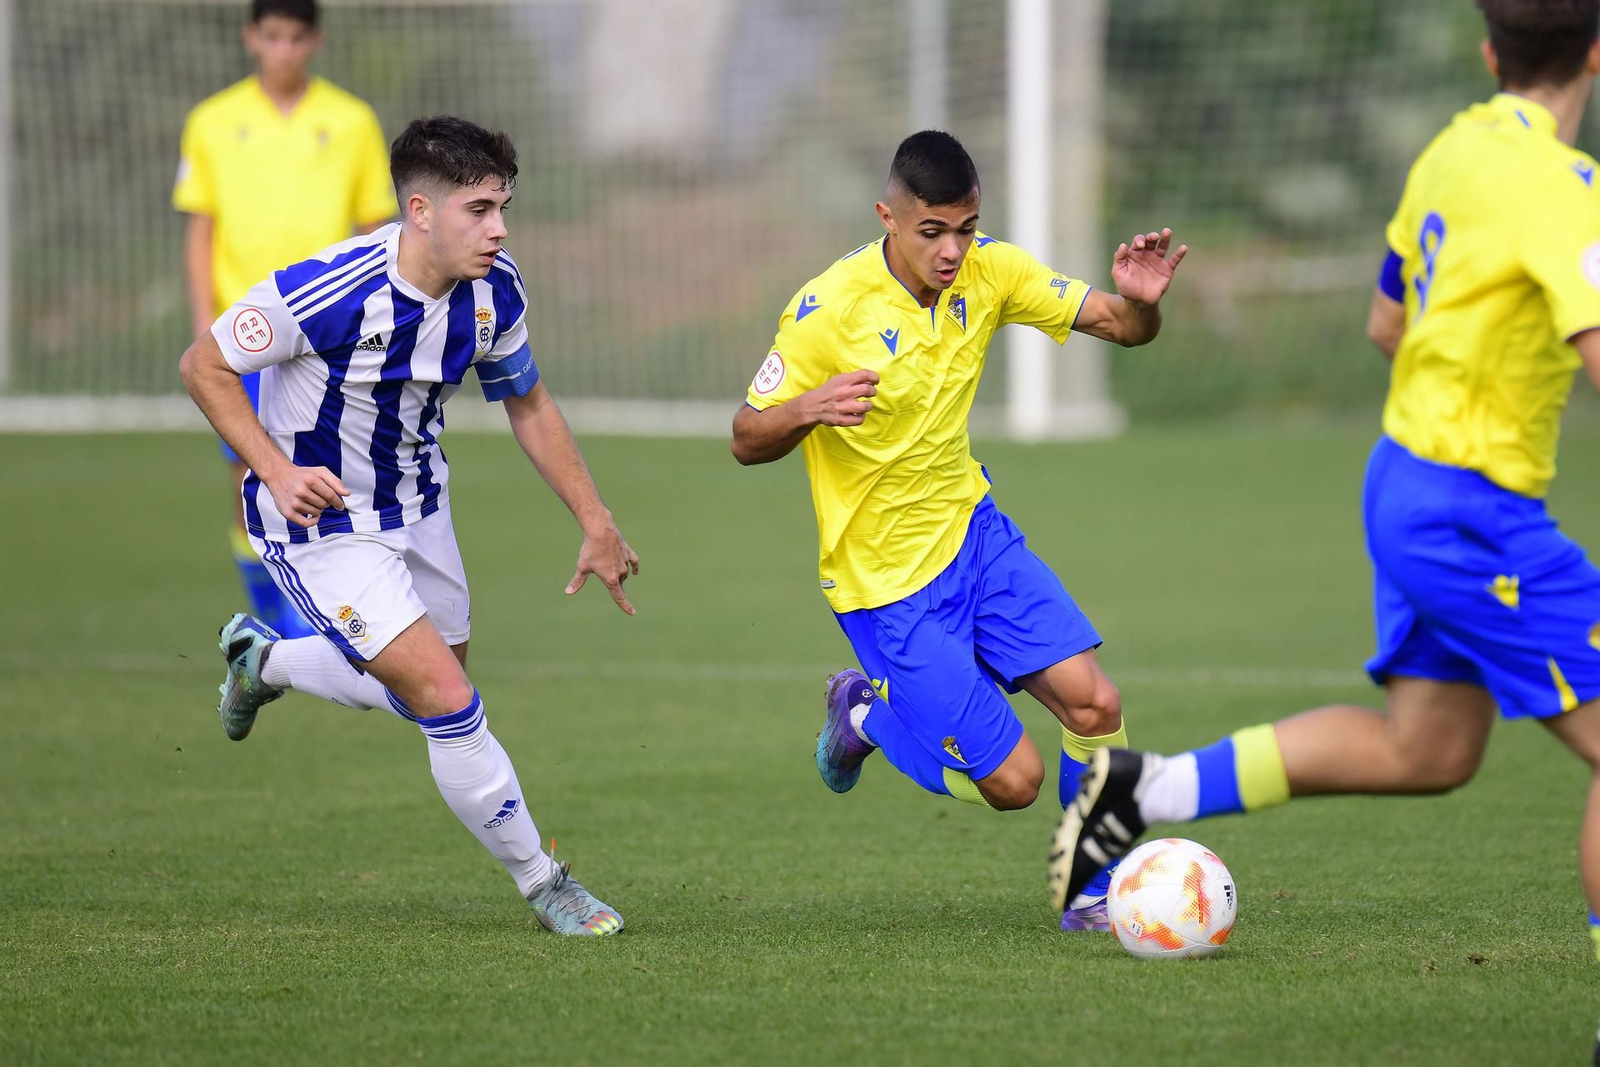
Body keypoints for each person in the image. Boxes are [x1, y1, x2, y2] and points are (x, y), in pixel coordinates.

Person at [1050, 0, 1600, 1048]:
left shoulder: (1451, 150)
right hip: (1470, 511)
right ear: (1595, 55)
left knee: (1428, 748)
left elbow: (1386, 323)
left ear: (1490, 53)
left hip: (1403, 481)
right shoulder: (1566, 191)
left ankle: (1145, 784)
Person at [179, 115, 638, 937]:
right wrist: (275, 471)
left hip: (421, 510)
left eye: (502, 206)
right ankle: (546, 882)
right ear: (420, 212)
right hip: (319, 524)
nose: (498, 228)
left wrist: (594, 515)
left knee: (427, 690)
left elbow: (526, 401)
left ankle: (267, 660)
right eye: (478, 210)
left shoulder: (496, 291)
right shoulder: (328, 289)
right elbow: (203, 365)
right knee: (450, 701)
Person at [731, 130, 1187, 930]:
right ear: (888, 217)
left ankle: (1091, 886)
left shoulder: (993, 270)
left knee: (1096, 704)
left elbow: (1120, 325)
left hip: (976, 539)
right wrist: (810, 407)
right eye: (932, 231)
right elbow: (745, 435)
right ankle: (863, 713)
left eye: (965, 228)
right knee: (1015, 783)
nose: (952, 250)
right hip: (886, 587)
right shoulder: (826, 309)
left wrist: (1142, 302)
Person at [175, 0, 397, 639]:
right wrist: (203, 317)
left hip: (324, 336)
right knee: (250, 477)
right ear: (252, 38)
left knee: (327, 471)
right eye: (272, 37)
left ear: (315, 42)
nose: (284, 51)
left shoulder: (352, 120)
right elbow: (201, 226)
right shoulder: (212, 121)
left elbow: (372, 228)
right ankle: (274, 613)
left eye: (297, 38)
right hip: (243, 333)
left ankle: (324, 606)